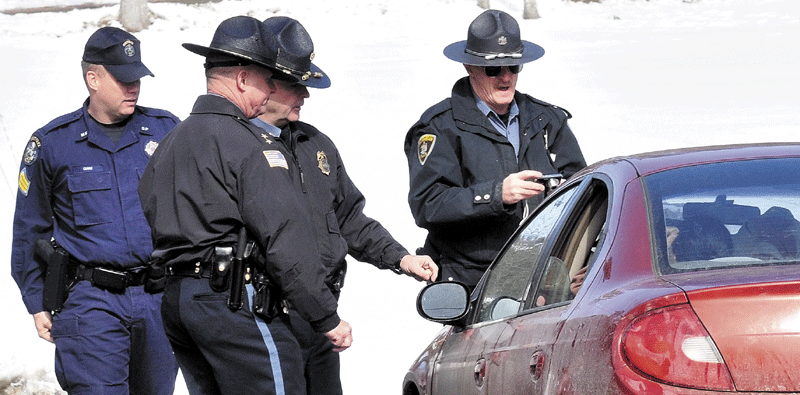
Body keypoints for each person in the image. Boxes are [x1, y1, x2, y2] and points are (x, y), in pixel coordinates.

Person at [137, 16, 352, 395]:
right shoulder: (251, 145)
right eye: (267, 79)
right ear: (241, 79)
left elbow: (153, 213)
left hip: (178, 303)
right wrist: (325, 317)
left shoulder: (170, 142)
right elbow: (286, 241)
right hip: (235, 301)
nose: (272, 89)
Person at [252, 16, 439, 395]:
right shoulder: (238, 147)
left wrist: (401, 258)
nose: (305, 96)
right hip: (265, 320)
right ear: (262, 83)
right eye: (295, 86)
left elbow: (348, 218)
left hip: (319, 316)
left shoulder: (315, 144)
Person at [10, 27, 179, 394]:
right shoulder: (54, 144)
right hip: (90, 301)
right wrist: (36, 301)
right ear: (93, 78)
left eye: (137, 77)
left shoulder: (165, 132)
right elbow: (29, 229)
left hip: (157, 298)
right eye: (123, 78)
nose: (133, 86)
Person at [405, 10, 587, 289]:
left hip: (546, 278)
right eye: (493, 70)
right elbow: (428, 205)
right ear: (469, 67)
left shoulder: (548, 120)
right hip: (474, 281)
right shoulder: (439, 128)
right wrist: (496, 194)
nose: (505, 78)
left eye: (514, 67)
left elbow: (584, 195)